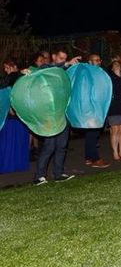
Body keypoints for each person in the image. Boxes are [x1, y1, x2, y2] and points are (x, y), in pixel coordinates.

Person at [33, 49, 81, 185]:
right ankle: (39, 176)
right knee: (49, 146)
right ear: (53, 56)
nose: (62, 60)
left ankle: (58, 174)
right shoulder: (46, 68)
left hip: (63, 114)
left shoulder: (64, 71)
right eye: (60, 58)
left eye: (64, 58)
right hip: (50, 115)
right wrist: (66, 64)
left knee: (61, 146)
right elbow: (50, 70)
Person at [106, 59, 121, 161]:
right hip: (113, 107)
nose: (117, 66)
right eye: (114, 64)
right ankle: (115, 152)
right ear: (111, 67)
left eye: (118, 64)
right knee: (115, 131)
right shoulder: (109, 79)